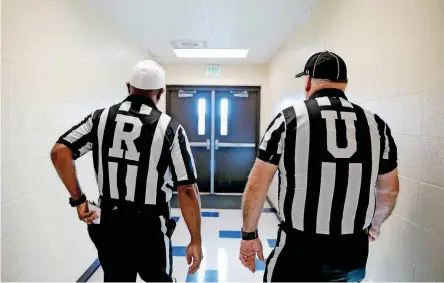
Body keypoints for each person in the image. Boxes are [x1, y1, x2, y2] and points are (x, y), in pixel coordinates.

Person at [239, 51, 399, 282]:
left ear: (307, 82)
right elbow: (389, 190)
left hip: (300, 248)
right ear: (344, 83)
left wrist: (249, 235)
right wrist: (374, 224)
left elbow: (257, 185)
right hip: (352, 249)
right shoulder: (376, 125)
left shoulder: (288, 119)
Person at [50, 60, 203, 282]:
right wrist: (195, 240)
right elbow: (187, 188)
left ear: (128, 86)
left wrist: (79, 200)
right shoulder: (170, 128)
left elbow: (60, 152)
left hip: (110, 219)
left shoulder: (99, 118)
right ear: (160, 92)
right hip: (150, 225)